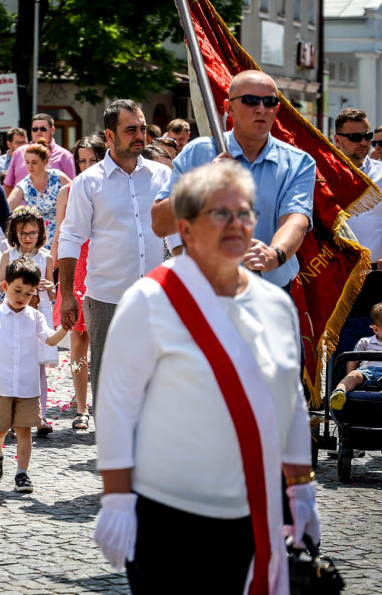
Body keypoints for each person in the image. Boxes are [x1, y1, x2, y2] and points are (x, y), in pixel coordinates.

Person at [93, 162, 317, 593]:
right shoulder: (150, 300)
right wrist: (118, 499)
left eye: (244, 213)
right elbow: (117, 405)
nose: (236, 224)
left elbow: (290, 401)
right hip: (170, 516)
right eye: (219, 212)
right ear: (186, 228)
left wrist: (301, 488)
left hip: (258, 512)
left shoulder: (276, 304)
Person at [152, 71, 316, 291]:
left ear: (277, 109)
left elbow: (296, 219)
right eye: (250, 100)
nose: (261, 108)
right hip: (205, 290)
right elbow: (160, 224)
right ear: (229, 108)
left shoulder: (298, 162)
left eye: (269, 102)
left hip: (268, 290)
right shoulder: (197, 153)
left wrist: (274, 253)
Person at [58, 99, 171, 402]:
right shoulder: (88, 183)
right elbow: (70, 238)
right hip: (107, 298)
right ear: (109, 136)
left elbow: (176, 234)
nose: (140, 136)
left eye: (143, 129)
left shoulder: (162, 177)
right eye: (130, 130)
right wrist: (68, 293)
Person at [0, 257, 68, 493]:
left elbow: (49, 339)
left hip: (28, 387)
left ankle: (22, 473)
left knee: (24, 431)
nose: (22, 297)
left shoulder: (35, 317)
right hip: (1, 385)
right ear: (6, 286)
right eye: (17, 290)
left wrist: (65, 328)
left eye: (28, 294)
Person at [51, 135, 106, 429]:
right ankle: (81, 406)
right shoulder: (68, 191)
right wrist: (53, 272)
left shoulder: (111, 187)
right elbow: (61, 234)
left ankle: (104, 404)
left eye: (92, 160)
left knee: (105, 344)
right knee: (77, 343)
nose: (86, 166)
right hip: (76, 267)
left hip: (104, 264)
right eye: (81, 161)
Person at [0, 206, 57, 436]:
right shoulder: (8, 255)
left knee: (38, 367)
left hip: (37, 313)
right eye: (23, 234)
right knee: (14, 364)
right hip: (13, 313)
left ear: (40, 233)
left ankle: (40, 415)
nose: (28, 238)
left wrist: (50, 288)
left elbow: (52, 294)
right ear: (15, 234)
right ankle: (13, 417)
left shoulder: (46, 257)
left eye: (32, 233)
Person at [333, 108, 382, 273]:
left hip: (376, 269)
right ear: (338, 140)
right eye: (355, 137)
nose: (364, 142)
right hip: (334, 271)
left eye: (367, 136)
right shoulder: (322, 173)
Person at [329, 301, 382, 412]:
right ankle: (339, 392)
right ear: (376, 329)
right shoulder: (365, 342)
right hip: (365, 371)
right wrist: (350, 374)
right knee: (353, 375)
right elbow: (353, 360)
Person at [7, 143, 71, 243]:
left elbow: (77, 196)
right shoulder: (24, 185)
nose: (30, 166)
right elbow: (7, 207)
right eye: (27, 162)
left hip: (63, 235)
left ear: (44, 161)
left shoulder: (58, 177)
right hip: (38, 240)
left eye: (34, 162)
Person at [2, 113, 76, 189]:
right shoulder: (19, 153)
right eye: (35, 129)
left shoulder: (65, 156)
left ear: (52, 130)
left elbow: (72, 188)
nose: (38, 132)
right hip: (20, 199)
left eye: (43, 129)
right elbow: (8, 185)